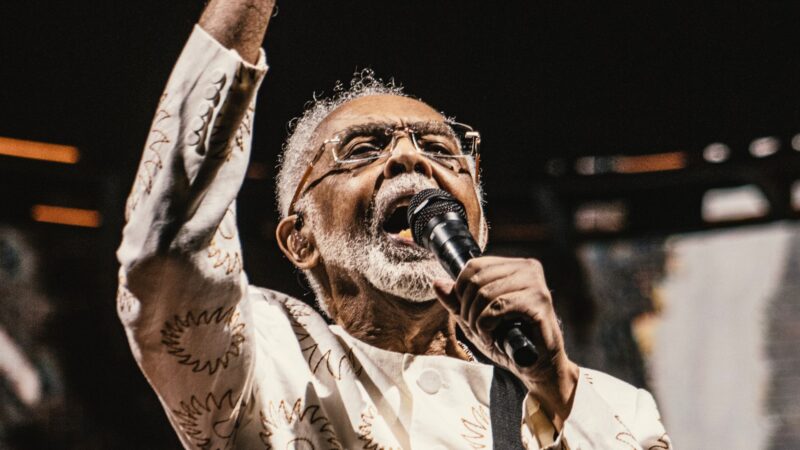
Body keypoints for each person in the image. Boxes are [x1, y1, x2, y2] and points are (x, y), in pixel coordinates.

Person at [117, 0, 672, 448]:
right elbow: (170, 245)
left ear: (477, 220)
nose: (412, 159)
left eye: (438, 147)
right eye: (362, 149)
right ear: (300, 238)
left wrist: (555, 382)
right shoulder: (262, 360)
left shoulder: (614, 409)